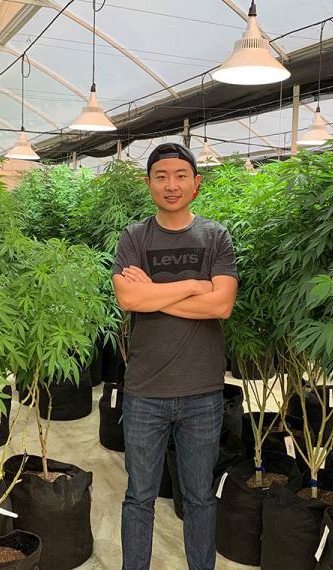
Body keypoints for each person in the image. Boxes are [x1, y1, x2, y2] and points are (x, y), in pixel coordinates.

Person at [112, 143, 238, 570]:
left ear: (196, 184)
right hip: (145, 391)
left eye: (181, 175)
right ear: (148, 183)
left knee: (201, 498)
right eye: (161, 176)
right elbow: (128, 299)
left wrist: (154, 294)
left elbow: (221, 306)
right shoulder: (134, 237)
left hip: (203, 391)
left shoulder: (215, 236)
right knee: (138, 498)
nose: (171, 184)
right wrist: (194, 286)